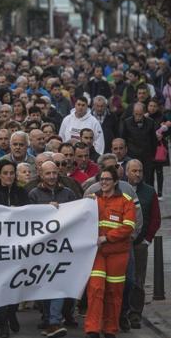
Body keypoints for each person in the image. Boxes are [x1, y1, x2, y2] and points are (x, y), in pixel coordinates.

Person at [85, 166, 136, 338]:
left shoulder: (126, 200)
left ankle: (110, 329)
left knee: (114, 291)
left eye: (107, 179)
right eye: (102, 179)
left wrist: (107, 237)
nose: (104, 182)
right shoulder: (92, 200)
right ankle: (92, 328)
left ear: (115, 181)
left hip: (118, 254)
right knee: (95, 289)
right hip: (97, 253)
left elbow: (129, 226)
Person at [28, 161, 77, 338]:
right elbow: (28, 219)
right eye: (48, 173)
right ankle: (48, 318)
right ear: (41, 174)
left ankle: (54, 322)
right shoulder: (33, 194)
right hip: (41, 249)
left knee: (57, 284)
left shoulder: (68, 193)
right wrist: (45, 210)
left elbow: (76, 216)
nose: (51, 177)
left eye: (54, 173)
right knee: (45, 284)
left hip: (62, 248)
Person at [0, 159, 28, 338]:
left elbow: (33, 213)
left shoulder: (22, 193)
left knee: (16, 283)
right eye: (5, 173)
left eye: (12, 173)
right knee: (1, 285)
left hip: (18, 247)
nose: (9, 176)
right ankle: (3, 323)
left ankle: (11, 312)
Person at [126, 160, 161, 329]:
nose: (137, 174)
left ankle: (135, 314)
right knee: (124, 279)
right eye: (134, 171)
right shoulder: (122, 189)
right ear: (127, 172)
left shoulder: (149, 192)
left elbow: (155, 218)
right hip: (122, 243)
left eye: (140, 170)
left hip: (140, 244)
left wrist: (147, 239)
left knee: (138, 280)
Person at [120, 102, 157, 185]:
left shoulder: (150, 122)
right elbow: (123, 139)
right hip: (132, 155)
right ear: (133, 113)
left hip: (147, 156)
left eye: (140, 114)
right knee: (132, 178)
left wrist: (152, 155)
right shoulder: (127, 122)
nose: (138, 117)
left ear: (144, 113)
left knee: (148, 178)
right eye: (136, 114)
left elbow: (154, 140)